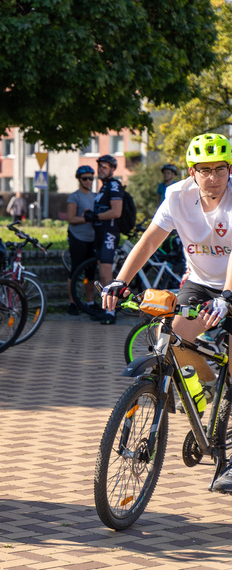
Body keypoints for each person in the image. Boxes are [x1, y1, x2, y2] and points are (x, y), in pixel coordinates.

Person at [101, 132, 232, 495]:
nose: (214, 177)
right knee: (172, 340)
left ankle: (229, 457)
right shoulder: (177, 196)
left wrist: (227, 298)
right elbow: (149, 240)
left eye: (221, 169)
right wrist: (119, 282)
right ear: (192, 172)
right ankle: (206, 385)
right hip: (201, 280)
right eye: (205, 170)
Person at [86, 154, 123, 325]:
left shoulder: (114, 185)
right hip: (100, 234)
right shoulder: (103, 187)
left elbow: (116, 212)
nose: (101, 169)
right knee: (102, 274)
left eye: (105, 166)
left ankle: (111, 312)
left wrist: (96, 216)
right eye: (100, 166)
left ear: (112, 169)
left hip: (109, 233)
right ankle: (106, 308)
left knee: (106, 274)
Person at [65, 165, 98, 315]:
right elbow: (71, 218)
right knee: (76, 270)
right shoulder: (74, 196)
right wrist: (86, 218)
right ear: (79, 179)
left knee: (90, 273)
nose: (88, 181)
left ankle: (90, 302)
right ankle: (72, 303)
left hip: (92, 238)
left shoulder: (95, 196)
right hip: (78, 237)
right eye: (85, 178)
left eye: (91, 178)